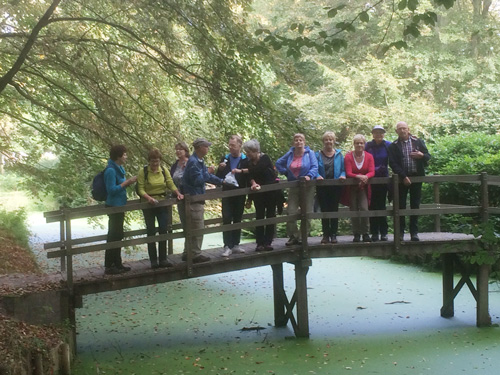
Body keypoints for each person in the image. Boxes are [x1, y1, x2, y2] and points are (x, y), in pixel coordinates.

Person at [137, 148, 183, 269]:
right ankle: (153, 260)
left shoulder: (164, 170)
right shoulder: (143, 171)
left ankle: (163, 259)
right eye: (153, 161)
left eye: (157, 161)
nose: (155, 164)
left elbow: (170, 183)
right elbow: (140, 188)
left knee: (163, 229)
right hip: (148, 204)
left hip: (162, 203)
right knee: (151, 231)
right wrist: (148, 198)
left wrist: (177, 193)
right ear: (149, 161)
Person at [182, 137, 224, 263]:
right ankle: (194, 254)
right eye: (206, 146)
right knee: (198, 228)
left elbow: (207, 176)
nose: (207, 148)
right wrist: (207, 173)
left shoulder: (199, 160)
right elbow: (197, 180)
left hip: (198, 199)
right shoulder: (194, 162)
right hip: (194, 199)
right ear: (200, 147)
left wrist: (222, 181)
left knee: (193, 228)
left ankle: (187, 252)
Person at [388, 121, 431, 241]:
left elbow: (428, 156)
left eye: (404, 128)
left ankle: (414, 233)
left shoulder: (418, 142)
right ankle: (400, 233)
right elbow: (392, 163)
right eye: (400, 129)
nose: (402, 131)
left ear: (408, 129)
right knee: (400, 206)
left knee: (415, 205)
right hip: (401, 180)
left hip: (417, 178)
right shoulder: (393, 146)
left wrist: (422, 155)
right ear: (396, 131)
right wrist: (403, 176)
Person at [233, 139, 277, 252]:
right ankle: (259, 243)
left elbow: (258, 169)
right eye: (247, 152)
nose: (247, 154)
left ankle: (268, 242)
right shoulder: (248, 162)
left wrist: (241, 171)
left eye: (249, 152)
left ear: (255, 151)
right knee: (259, 216)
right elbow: (250, 176)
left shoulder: (265, 159)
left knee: (271, 215)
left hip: (271, 192)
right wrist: (253, 182)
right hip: (258, 193)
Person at [275, 133, 318, 246]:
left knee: (307, 212)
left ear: (304, 142)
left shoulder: (310, 153)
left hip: (307, 186)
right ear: (293, 142)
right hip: (294, 185)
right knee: (291, 211)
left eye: (301, 140)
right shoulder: (290, 154)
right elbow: (278, 163)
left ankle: (302, 236)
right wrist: (286, 172)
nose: (298, 142)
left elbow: (315, 167)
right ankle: (293, 236)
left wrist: (309, 175)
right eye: (296, 140)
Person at [104, 144, 137, 275]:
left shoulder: (119, 168)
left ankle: (117, 263)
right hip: (113, 206)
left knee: (118, 235)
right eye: (124, 154)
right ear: (118, 156)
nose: (126, 156)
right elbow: (111, 190)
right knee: (113, 235)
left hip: (120, 205)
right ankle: (109, 265)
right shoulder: (111, 171)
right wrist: (126, 183)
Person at [216, 135, 247, 257]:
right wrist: (220, 168)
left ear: (239, 145)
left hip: (240, 193)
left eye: (233, 145)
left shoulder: (245, 160)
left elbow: (248, 175)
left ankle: (236, 244)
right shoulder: (225, 158)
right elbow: (219, 178)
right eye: (229, 145)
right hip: (227, 193)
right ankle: (227, 245)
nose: (231, 147)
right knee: (227, 218)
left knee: (238, 218)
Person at [315, 131, 345, 244]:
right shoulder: (317, 155)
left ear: (334, 141)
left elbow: (343, 169)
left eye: (331, 139)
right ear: (323, 141)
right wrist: (317, 176)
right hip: (322, 187)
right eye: (326, 139)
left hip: (335, 186)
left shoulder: (339, 155)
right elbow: (314, 169)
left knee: (334, 210)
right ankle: (325, 235)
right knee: (324, 210)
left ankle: (333, 234)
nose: (329, 141)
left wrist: (343, 175)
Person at [344, 134, 375, 243]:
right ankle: (356, 233)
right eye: (357, 143)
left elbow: (372, 171)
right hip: (352, 187)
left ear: (364, 144)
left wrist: (366, 176)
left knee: (364, 208)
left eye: (361, 143)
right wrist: (359, 176)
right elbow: (348, 172)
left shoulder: (369, 156)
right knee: (354, 210)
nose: (359, 145)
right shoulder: (348, 156)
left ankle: (366, 233)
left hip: (364, 188)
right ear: (354, 144)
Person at [365, 125, 391, 242]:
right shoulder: (368, 146)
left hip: (383, 179)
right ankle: (374, 232)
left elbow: (396, 155)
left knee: (381, 205)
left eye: (380, 132)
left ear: (384, 134)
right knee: (371, 206)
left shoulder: (388, 145)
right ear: (372, 134)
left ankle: (384, 232)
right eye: (376, 132)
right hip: (370, 179)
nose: (378, 135)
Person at [170, 141, 190, 226]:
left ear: (185, 150)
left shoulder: (191, 163)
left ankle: (193, 239)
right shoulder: (175, 165)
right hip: (179, 196)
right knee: (184, 221)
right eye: (177, 149)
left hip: (190, 195)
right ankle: (187, 239)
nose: (178, 151)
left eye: (180, 149)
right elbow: (170, 180)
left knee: (192, 222)